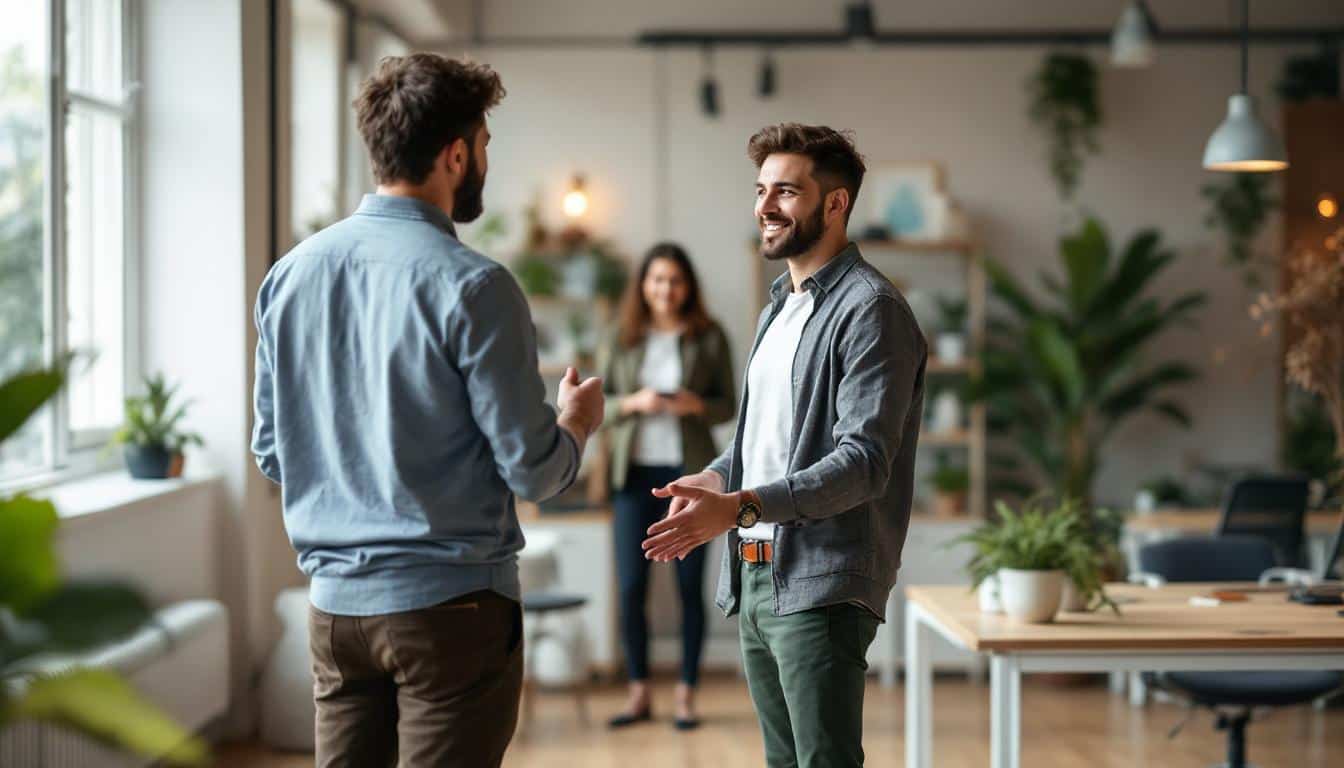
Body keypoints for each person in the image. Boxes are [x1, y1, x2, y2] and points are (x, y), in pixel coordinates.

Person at [250, 53, 604, 768]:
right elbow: (535, 473)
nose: (484, 163)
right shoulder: (475, 287)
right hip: (453, 614)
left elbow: (272, 451)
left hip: (336, 612)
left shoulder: (290, 277)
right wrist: (576, 423)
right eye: (484, 147)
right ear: (456, 154)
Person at [642, 123, 927, 767]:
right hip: (755, 571)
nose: (764, 206)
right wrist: (715, 482)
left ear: (835, 204)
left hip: (821, 579)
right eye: (761, 188)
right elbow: (763, 438)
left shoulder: (871, 310)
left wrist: (740, 506)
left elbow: (864, 464)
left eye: (787, 191)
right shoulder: (779, 306)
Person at [597, 243, 736, 730]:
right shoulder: (622, 336)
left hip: (689, 477)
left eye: (675, 280)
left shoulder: (709, 335)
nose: (666, 289)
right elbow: (601, 406)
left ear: (688, 286)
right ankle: (638, 693)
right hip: (633, 478)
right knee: (631, 587)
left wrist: (693, 405)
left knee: (687, 588)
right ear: (643, 285)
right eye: (657, 279)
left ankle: (685, 696)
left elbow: (729, 405)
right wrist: (634, 402)